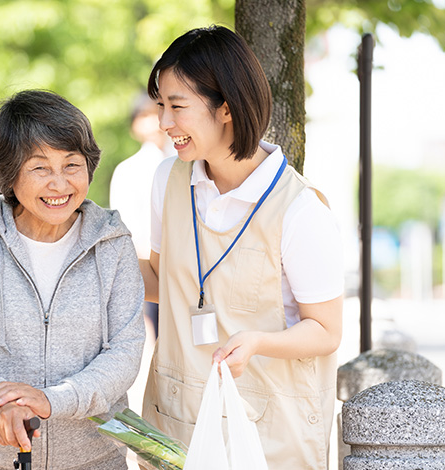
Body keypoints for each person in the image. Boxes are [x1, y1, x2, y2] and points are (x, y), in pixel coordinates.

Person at [139, 26, 344, 469]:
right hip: (177, 422)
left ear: (226, 108)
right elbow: (161, 280)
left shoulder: (300, 209)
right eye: (161, 106)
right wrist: (80, 250)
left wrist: (257, 342)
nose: (164, 123)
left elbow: (326, 332)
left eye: (177, 106)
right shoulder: (169, 180)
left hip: (265, 434)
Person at [0, 89, 146, 470]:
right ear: (9, 172)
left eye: (71, 165)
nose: (60, 184)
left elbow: (126, 351)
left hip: (94, 458)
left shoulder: (112, 243)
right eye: (40, 167)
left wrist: (51, 401)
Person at [110, 93, 173, 338]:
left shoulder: (185, 162)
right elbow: (127, 226)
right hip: (147, 266)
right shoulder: (129, 170)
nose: (153, 122)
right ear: (134, 125)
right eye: (144, 115)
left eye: (156, 112)